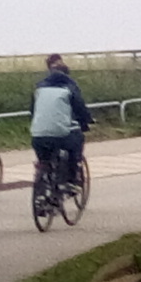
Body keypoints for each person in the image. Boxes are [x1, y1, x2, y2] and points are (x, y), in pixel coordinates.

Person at [29, 54, 93, 196]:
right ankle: (71, 181)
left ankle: (42, 184)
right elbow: (80, 108)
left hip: (37, 135)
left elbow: (33, 110)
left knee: (44, 160)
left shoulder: (39, 88)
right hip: (62, 134)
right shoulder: (70, 88)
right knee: (75, 144)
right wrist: (86, 122)